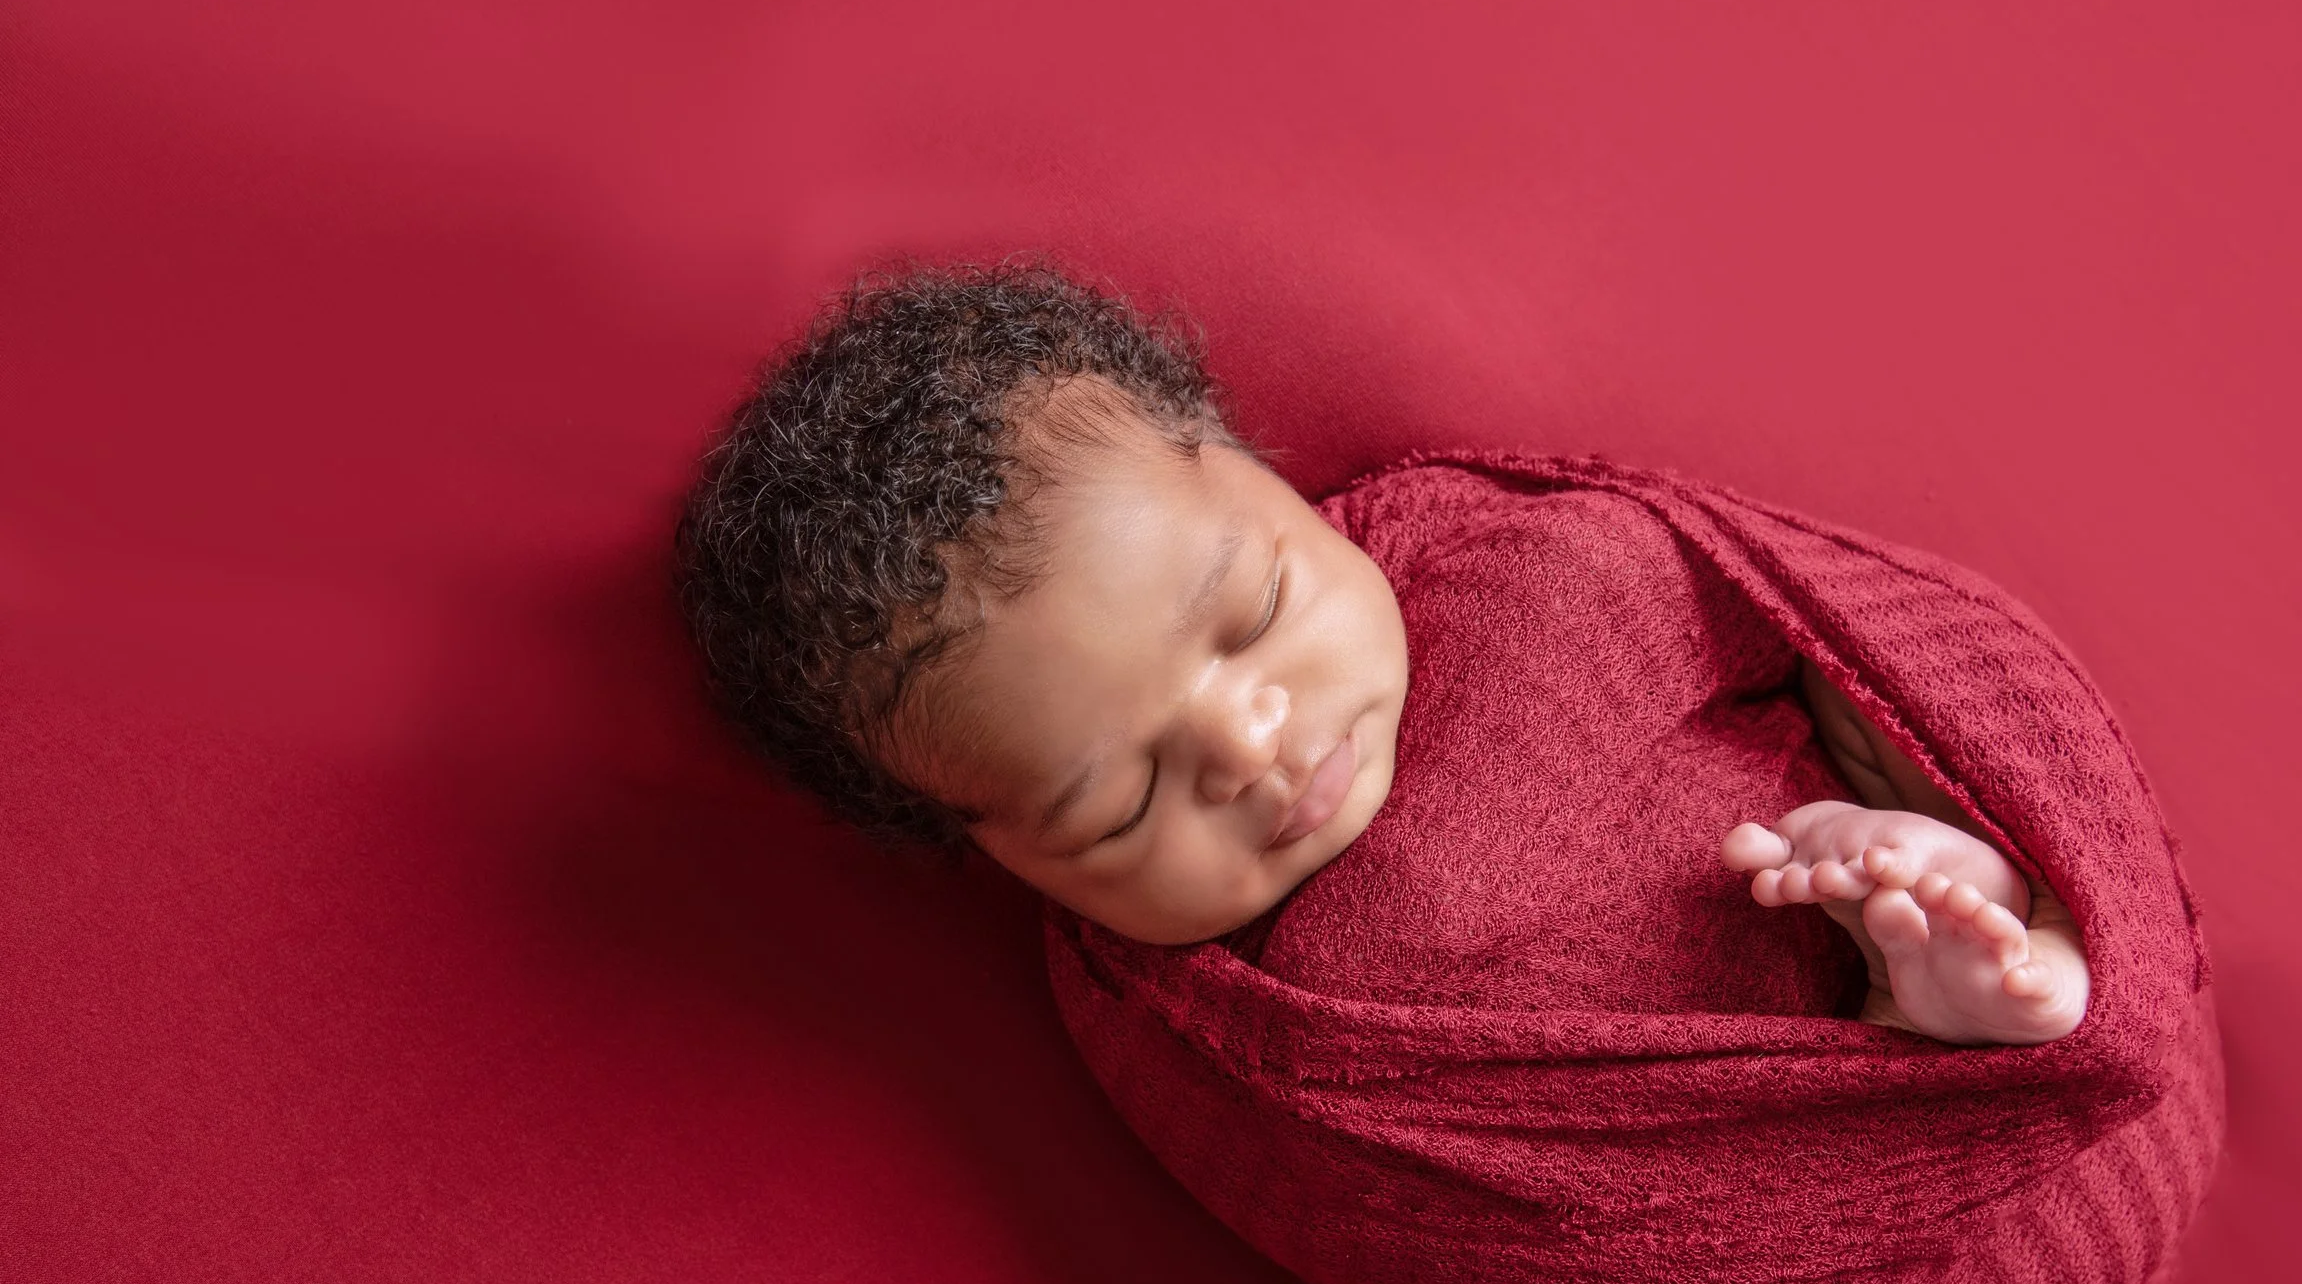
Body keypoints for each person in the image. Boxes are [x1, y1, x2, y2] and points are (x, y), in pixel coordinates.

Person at [676, 261, 2087, 1045]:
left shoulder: (1502, 563)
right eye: (1118, 802)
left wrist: (1895, 736)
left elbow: (1744, 595)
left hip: (1779, 844)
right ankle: (1926, 1019)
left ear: (1265, 474)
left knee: (1869, 806)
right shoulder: (1199, 1030)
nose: (1248, 747)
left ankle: (1955, 897)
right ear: (993, 855)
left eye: (1254, 617)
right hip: (1742, 1138)